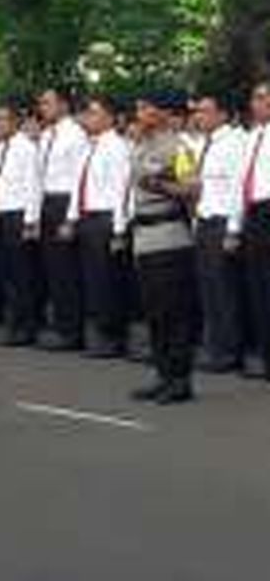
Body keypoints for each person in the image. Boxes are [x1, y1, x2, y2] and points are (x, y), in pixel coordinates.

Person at [129, 91, 198, 404]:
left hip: (169, 236)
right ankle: (163, 375)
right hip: (144, 237)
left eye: (145, 107)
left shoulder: (177, 146)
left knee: (173, 312)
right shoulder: (141, 144)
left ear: (161, 112)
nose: (139, 113)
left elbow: (192, 188)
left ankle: (180, 380)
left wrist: (159, 185)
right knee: (155, 313)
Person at [66, 95, 132, 358]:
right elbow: (77, 184)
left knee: (106, 280)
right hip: (87, 217)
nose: (89, 118)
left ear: (109, 117)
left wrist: (118, 229)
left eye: (94, 113)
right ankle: (98, 334)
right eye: (88, 113)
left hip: (105, 219)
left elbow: (120, 189)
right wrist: (71, 218)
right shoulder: (88, 146)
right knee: (90, 279)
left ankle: (111, 336)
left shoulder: (116, 146)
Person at [191, 91, 247, 374]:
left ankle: (229, 350)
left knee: (225, 289)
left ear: (223, 114)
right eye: (198, 111)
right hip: (204, 220)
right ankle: (214, 345)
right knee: (208, 288)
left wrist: (234, 229)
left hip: (223, 221)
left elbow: (238, 187)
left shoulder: (235, 142)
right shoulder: (204, 143)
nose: (199, 116)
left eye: (205, 111)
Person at [0, 100, 42, 346]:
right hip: (3, 213)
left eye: (4, 119)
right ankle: (13, 323)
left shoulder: (26, 147)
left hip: (19, 214)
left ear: (16, 121)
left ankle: (26, 327)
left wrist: (30, 220)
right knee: (5, 272)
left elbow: (32, 184)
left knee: (22, 274)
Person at [36, 88, 91, 351]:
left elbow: (77, 177)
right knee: (52, 269)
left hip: (65, 202)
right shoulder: (46, 135)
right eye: (41, 104)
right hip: (47, 201)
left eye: (47, 103)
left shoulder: (75, 134)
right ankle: (61, 325)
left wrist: (70, 218)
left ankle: (72, 331)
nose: (42, 108)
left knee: (67, 270)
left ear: (63, 105)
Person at [236, 81, 270, 380]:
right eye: (254, 97)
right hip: (254, 213)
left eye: (262, 97)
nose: (256, 103)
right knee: (257, 285)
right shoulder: (251, 136)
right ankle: (263, 351)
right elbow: (241, 182)